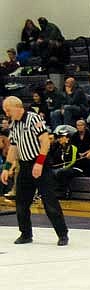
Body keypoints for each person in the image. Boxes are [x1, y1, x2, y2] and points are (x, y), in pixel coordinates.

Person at [1, 96, 69, 246]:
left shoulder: (33, 118)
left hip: (40, 164)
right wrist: (7, 168)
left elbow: (45, 141)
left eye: (7, 109)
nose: (6, 113)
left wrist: (39, 162)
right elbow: (13, 147)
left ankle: (62, 234)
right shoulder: (14, 124)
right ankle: (25, 234)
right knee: (21, 202)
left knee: (49, 201)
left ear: (16, 107)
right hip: (25, 166)